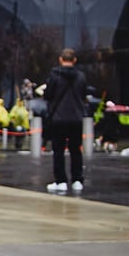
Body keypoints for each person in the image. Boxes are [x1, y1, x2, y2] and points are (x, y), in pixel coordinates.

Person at [44, 48, 87, 193]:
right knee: (76, 150)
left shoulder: (54, 75)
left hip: (59, 118)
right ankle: (77, 180)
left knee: (58, 151)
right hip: (76, 118)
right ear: (74, 60)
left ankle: (61, 181)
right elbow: (83, 94)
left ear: (60, 59)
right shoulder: (81, 77)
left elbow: (48, 95)